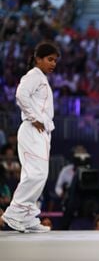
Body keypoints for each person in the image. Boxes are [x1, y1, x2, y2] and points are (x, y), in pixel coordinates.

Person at [1, 41, 59, 233]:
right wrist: (33, 117)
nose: (53, 64)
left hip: (41, 132)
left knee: (38, 175)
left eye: (55, 61)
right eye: (49, 59)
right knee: (36, 174)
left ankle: (27, 217)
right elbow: (20, 94)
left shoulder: (41, 78)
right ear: (38, 59)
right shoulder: (34, 76)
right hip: (32, 130)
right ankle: (14, 213)